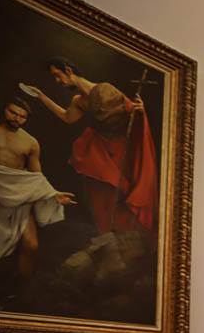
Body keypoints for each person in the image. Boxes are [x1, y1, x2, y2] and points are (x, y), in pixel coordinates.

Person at [28, 57, 158, 232]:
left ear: (68, 70)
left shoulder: (104, 89)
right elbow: (67, 117)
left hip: (119, 147)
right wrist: (42, 97)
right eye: (54, 78)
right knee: (101, 193)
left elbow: (129, 111)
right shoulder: (78, 101)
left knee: (122, 190)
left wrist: (139, 110)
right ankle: (107, 231)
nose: (57, 81)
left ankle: (125, 232)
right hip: (100, 150)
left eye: (57, 75)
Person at [0, 96, 75, 279]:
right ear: (4, 110)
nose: (16, 118)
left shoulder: (31, 142)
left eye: (21, 116)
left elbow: (36, 177)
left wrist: (54, 195)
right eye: (12, 112)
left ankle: (25, 290)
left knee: (31, 245)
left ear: (26, 119)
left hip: (18, 196)